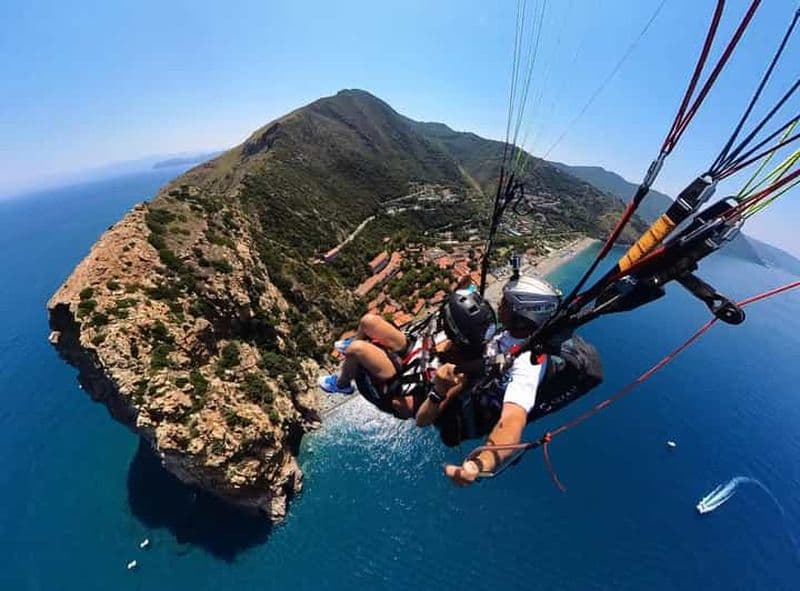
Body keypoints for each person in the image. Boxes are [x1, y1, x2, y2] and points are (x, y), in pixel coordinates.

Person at [441, 274, 603, 486]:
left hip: (477, 412)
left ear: (521, 314)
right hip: (485, 369)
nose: (499, 304)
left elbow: (512, 422)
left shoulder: (529, 363)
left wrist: (479, 465)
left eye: (506, 302)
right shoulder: (515, 335)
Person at [318, 289, 497, 419]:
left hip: (405, 379)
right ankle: (360, 344)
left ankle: (342, 384)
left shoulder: (462, 374)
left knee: (357, 350)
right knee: (368, 321)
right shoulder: (469, 338)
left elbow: (421, 417)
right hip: (417, 351)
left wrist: (439, 390)